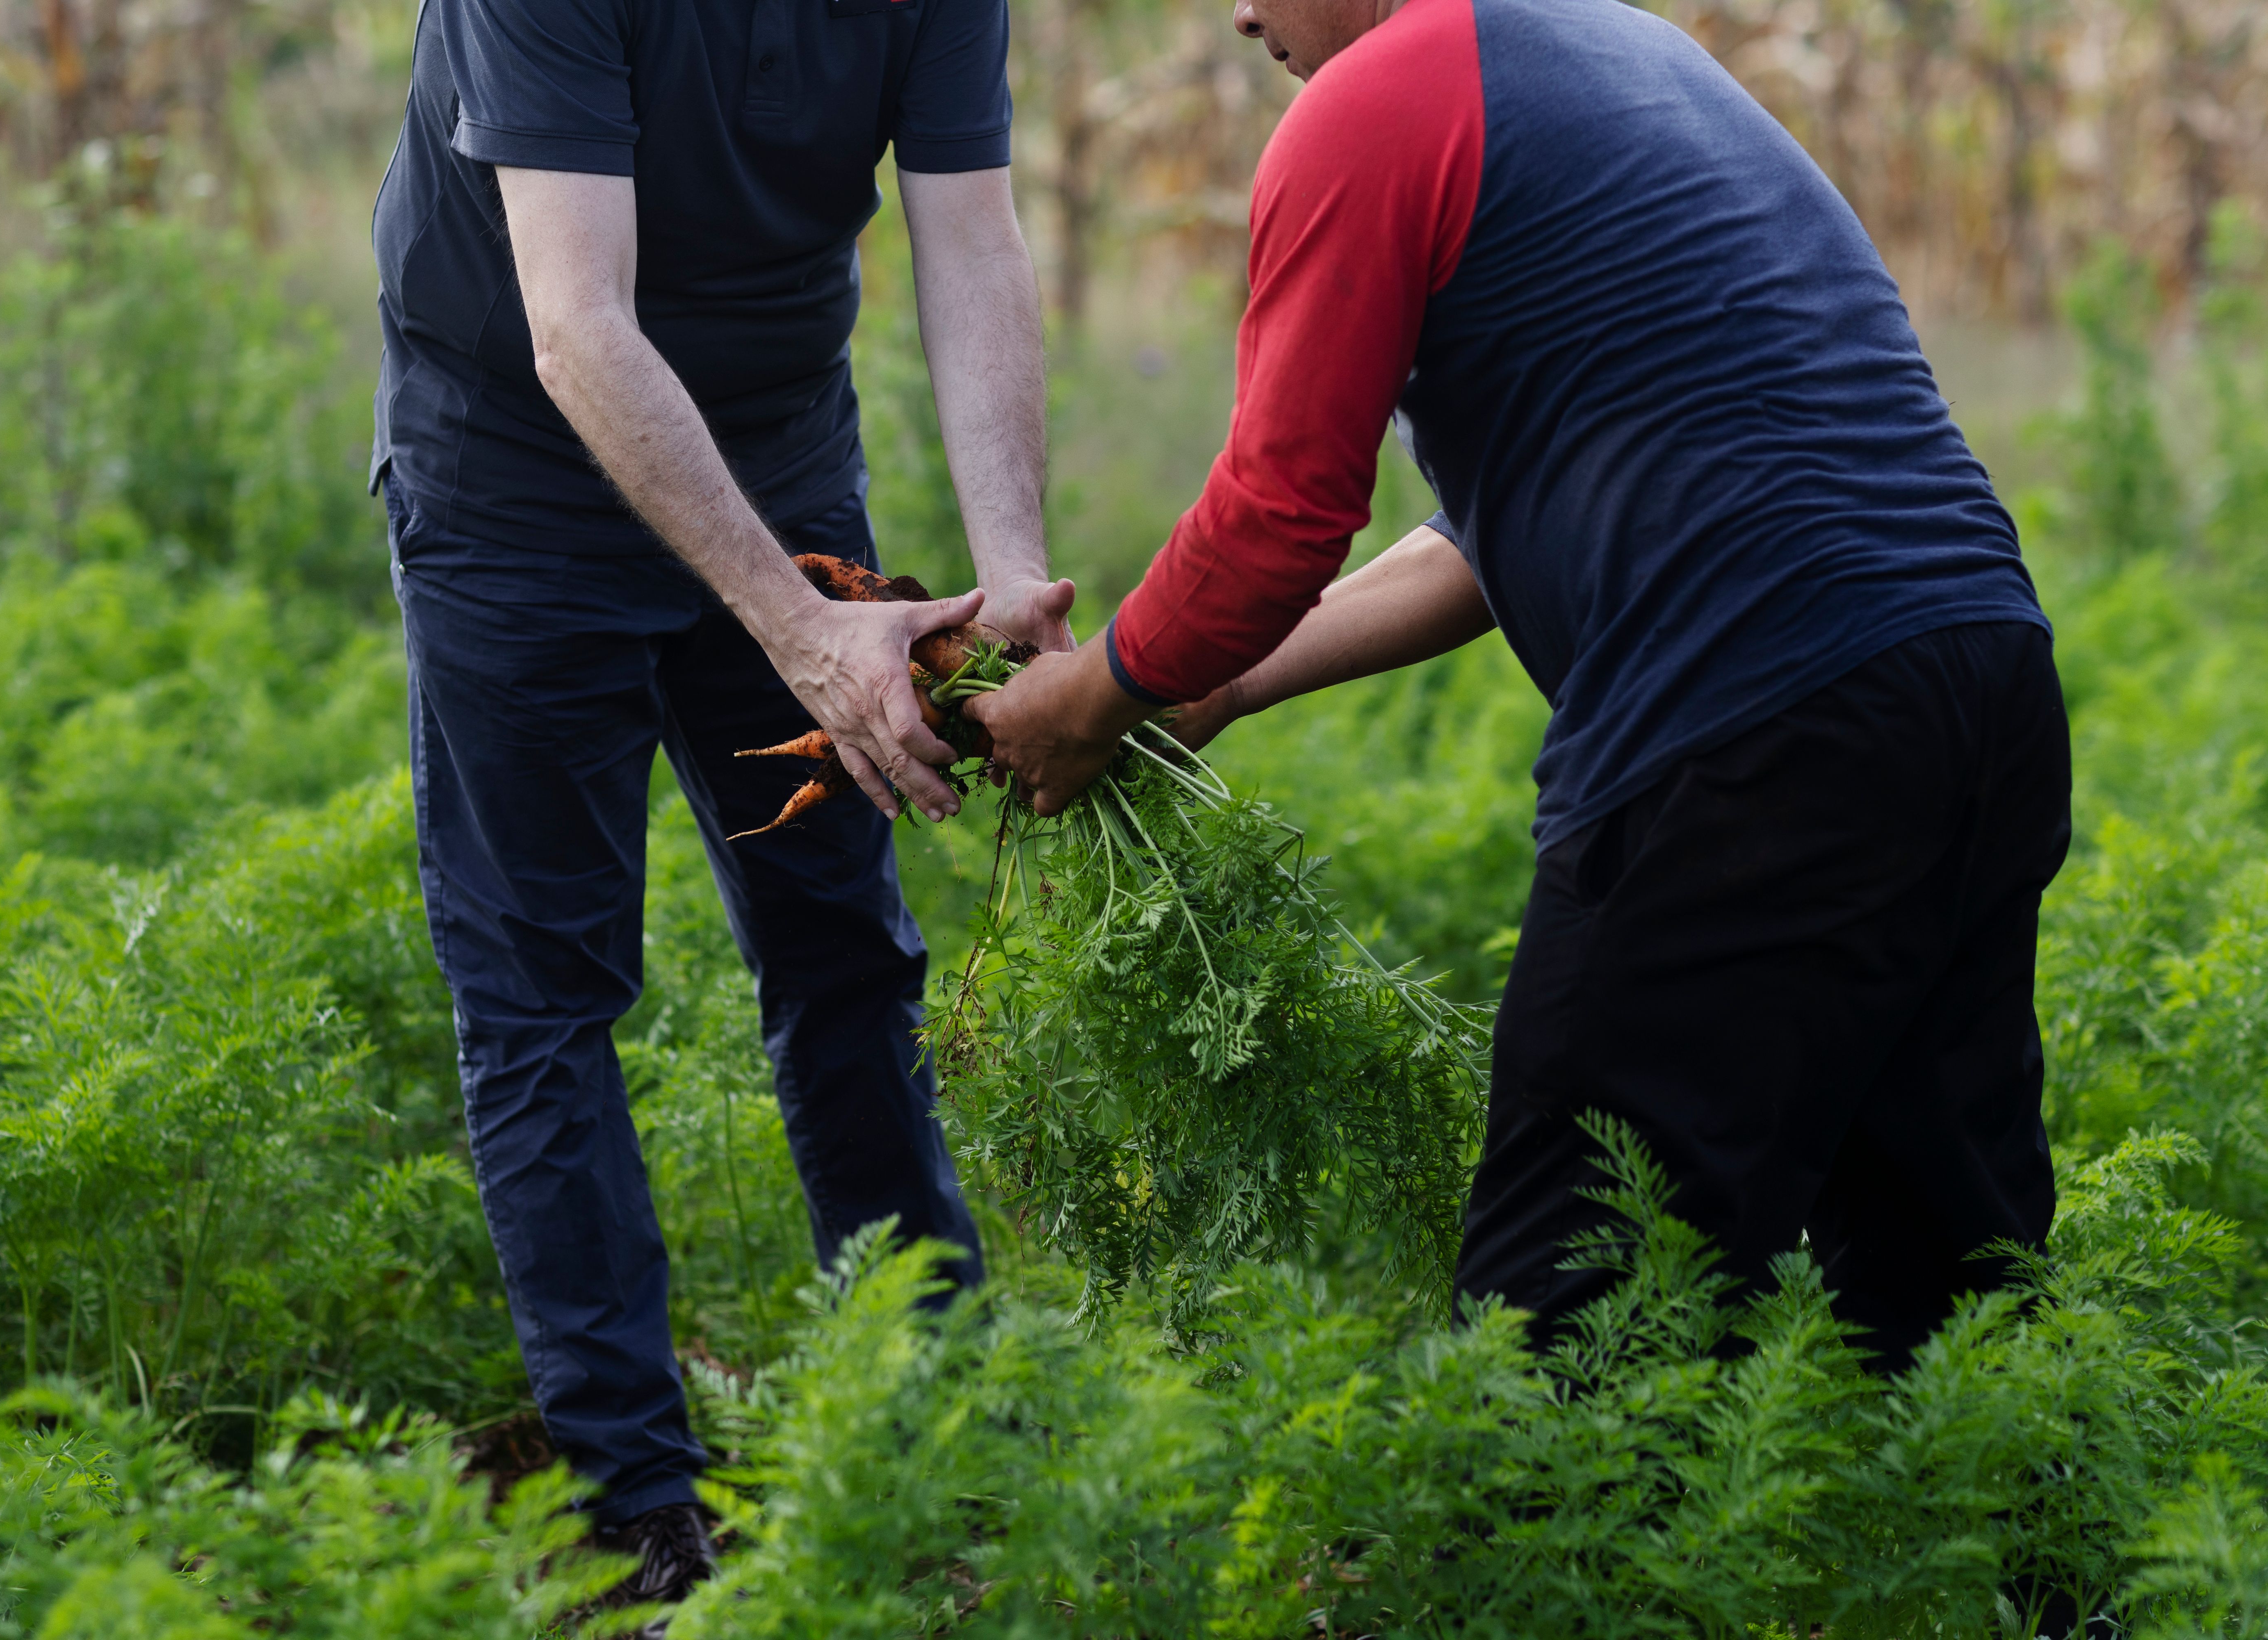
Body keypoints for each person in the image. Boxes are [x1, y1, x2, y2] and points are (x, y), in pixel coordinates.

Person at [969, 0, 2068, 1370]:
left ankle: (1541, 1575)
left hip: (1752, 730)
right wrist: (1208, 691)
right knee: (1955, 1288)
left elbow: (1278, 517)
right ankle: (2052, 1584)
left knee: (1572, 1312)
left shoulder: (1375, 105)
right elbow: (1491, 536)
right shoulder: (1620, 53)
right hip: (1975, 676)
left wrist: (1091, 701)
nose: (1240, 14)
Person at [369, 0, 1070, 1605]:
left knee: (841, 939)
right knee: (545, 986)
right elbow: (579, 330)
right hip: (516, 467)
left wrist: (1015, 576)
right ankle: (637, 1516)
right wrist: (804, 627)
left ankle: (929, 1407)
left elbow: (972, 238)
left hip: (776, 435)